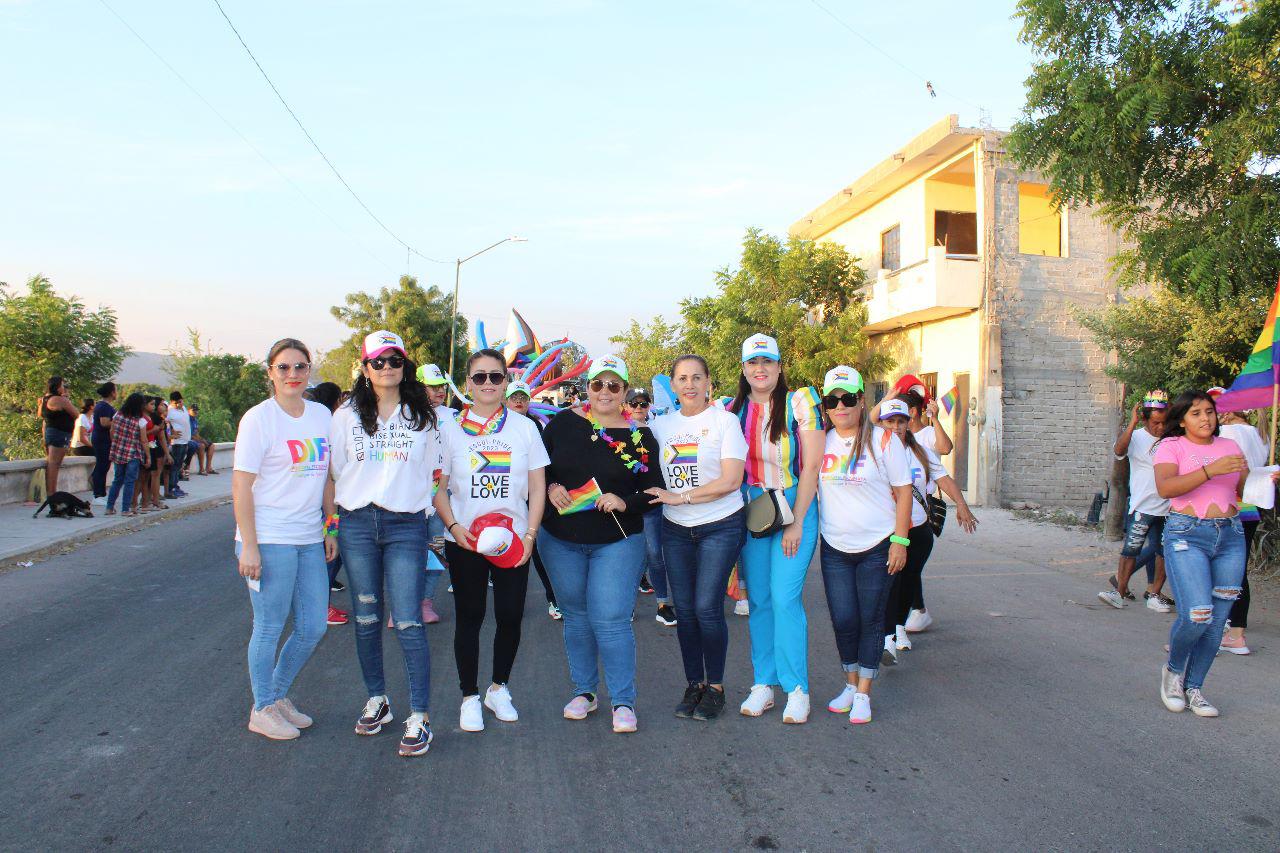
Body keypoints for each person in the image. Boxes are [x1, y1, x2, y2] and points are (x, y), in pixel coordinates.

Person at [327, 330, 441, 757]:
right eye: (378, 361)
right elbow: (336, 472)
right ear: (365, 367)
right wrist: (332, 528)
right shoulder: (345, 416)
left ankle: (420, 716)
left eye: (395, 360)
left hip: (405, 525)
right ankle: (378, 699)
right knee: (367, 616)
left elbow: (434, 471)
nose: (387, 367)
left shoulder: (423, 416)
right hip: (357, 523)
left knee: (409, 621)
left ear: (404, 365)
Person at [539, 354, 662, 733]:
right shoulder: (562, 424)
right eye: (597, 384)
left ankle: (623, 701)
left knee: (610, 620)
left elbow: (655, 488)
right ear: (587, 387)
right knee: (575, 617)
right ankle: (585, 692)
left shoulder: (640, 436)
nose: (604, 392)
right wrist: (551, 486)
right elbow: (537, 469)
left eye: (613, 385)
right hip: (560, 539)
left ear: (624, 390)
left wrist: (627, 501)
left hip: (617, 539)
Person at [432, 350, 548, 732]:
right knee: (470, 616)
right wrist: (452, 527)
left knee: (511, 615)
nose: (487, 384)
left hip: (512, 539)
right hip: (465, 538)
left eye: (495, 377)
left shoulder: (524, 428)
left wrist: (530, 534)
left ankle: (499, 688)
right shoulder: (447, 430)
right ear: (467, 383)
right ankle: (469, 696)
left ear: (505, 382)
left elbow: (537, 487)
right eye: (479, 377)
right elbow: (438, 487)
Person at [232, 337, 334, 741]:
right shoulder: (258, 419)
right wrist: (250, 545)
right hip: (268, 537)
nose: (292, 374)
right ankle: (262, 708)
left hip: (309, 536)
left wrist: (331, 528)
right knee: (270, 624)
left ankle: (275, 695)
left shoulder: (322, 415)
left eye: (300, 366)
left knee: (313, 627)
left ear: (310, 370)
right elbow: (241, 486)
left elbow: (328, 476)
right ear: (270, 372)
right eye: (283, 367)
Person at [728, 334, 824, 723]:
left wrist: (797, 522)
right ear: (744, 369)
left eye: (768, 361)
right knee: (761, 601)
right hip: (754, 510)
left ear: (780, 366)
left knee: (785, 598)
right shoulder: (730, 410)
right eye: (753, 362)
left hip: (794, 503)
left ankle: (797, 688)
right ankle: (763, 683)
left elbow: (813, 467)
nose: (760, 368)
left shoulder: (800, 403)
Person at [647, 355, 748, 721]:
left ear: (708, 382)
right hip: (675, 529)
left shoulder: (725, 422)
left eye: (696, 378)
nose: (689, 385)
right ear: (673, 385)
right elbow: (632, 464)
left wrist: (681, 496)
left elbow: (731, 480)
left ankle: (716, 686)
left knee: (707, 608)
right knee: (686, 610)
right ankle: (695, 685)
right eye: (682, 378)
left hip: (720, 524)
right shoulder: (660, 427)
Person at [1152, 390, 1262, 718]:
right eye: (1197, 413)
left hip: (1230, 535)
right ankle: (1173, 672)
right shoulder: (1172, 447)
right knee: (1198, 613)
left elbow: (1243, 490)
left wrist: (1263, 477)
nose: (1206, 419)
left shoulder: (1230, 446)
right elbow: (1166, 489)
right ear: (1182, 419)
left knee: (1217, 623)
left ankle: (1195, 687)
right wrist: (1210, 470)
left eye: (1210, 412)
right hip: (1187, 534)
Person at [816, 366, 912, 725]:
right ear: (825, 405)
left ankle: (864, 693)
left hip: (877, 545)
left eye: (848, 398)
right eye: (832, 400)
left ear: (861, 400)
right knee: (843, 619)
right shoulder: (820, 441)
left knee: (870, 619)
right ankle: (849, 682)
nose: (840, 406)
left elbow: (904, 493)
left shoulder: (884, 441)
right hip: (835, 547)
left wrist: (900, 542)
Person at [876, 397, 978, 664]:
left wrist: (962, 505)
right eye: (890, 422)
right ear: (882, 424)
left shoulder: (920, 451)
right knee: (891, 581)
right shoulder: (874, 451)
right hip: (888, 531)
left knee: (909, 580)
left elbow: (943, 478)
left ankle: (899, 628)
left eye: (901, 421)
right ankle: (888, 638)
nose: (896, 427)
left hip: (919, 529)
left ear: (908, 423)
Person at [1099, 392, 1172, 612]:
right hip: (1142, 506)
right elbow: (1118, 451)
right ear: (1145, 419)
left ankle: (1155, 594)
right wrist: (1131, 424)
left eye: (1165, 422)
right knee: (1130, 550)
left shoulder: (1173, 439)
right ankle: (1119, 593)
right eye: (1156, 423)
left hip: (1169, 507)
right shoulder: (1137, 436)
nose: (1161, 427)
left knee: (1163, 552)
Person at [1215, 404, 1268, 655]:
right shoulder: (1260, 433)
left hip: (1230, 505)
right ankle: (1234, 628)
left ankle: (1224, 626)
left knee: (1222, 567)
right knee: (1238, 568)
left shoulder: (1229, 433)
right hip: (1252, 505)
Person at [507, 379, 562, 619]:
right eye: (514, 397)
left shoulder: (536, 427)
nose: (519, 401)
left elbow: (545, 465)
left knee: (537, 550)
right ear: (505, 400)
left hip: (531, 497)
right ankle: (509, 602)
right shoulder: (496, 426)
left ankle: (554, 598)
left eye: (523, 397)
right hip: (504, 496)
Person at [627, 387, 675, 625]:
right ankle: (626, 606)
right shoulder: (616, 429)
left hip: (654, 502)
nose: (638, 408)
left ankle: (663, 604)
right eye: (633, 403)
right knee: (630, 556)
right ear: (625, 405)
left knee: (655, 554)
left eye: (643, 403)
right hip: (625, 503)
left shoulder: (657, 429)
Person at [304, 382, 350, 627]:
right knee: (332, 553)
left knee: (333, 551)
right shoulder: (329, 424)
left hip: (328, 500)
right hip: (328, 501)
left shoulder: (326, 422)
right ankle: (320, 607)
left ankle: (320, 603)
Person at [416, 363, 453, 622]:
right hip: (410, 498)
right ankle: (403, 604)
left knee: (437, 548)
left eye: (442, 386)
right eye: (433, 386)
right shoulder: (404, 415)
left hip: (442, 498)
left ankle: (426, 602)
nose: (439, 391)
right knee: (406, 552)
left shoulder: (454, 417)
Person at [105, 392, 149, 517]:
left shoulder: (117, 415)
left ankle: (109, 507)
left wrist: (117, 443)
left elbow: (112, 431)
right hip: (133, 453)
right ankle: (125, 509)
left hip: (118, 451)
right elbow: (144, 440)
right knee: (130, 481)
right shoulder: (140, 421)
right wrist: (148, 456)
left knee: (117, 480)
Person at [37, 376, 79, 497]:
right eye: (62, 385)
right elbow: (76, 414)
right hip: (59, 433)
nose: (63, 388)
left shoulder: (45, 399)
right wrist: (66, 400)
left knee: (52, 463)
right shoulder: (60, 400)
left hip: (50, 432)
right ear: (57, 387)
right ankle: (51, 494)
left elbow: (40, 415)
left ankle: (51, 492)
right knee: (54, 464)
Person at [90, 383, 117, 503]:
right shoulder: (103, 407)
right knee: (102, 465)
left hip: (105, 440)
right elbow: (105, 423)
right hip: (102, 439)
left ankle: (101, 492)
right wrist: (119, 423)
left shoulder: (105, 406)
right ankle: (98, 494)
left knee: (104, 466)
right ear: (112, 392)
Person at [166, 391, 191, 496]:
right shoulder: (170, 411)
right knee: (175, 466)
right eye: (177, 402)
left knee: (179, 466)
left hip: (185, 441)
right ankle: (171, 488)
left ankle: (176, 486)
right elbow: (165, 423)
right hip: (177, 442)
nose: (180, 404)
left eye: (181, 401)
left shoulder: (184, 408)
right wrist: (170, 433)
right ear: (172, 402)